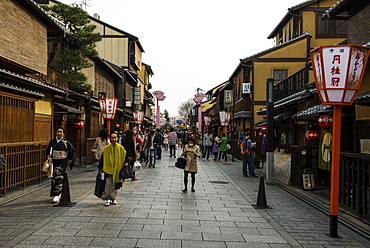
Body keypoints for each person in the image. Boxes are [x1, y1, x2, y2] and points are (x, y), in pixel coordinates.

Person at [46, 127, 76, 203]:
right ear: (56, 133)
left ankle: (58, 194)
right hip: (54, 161)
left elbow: (72, 150)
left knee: (60, 176)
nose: (59, 133)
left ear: (63, 134)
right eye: (58, 132)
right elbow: (49, 150)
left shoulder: (66, 142)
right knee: (54, 177)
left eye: (61, 132)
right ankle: (55, 193)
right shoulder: (52, 142)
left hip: (62, 161)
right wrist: (48, 155)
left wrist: (71, 159)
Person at [98, 132, 126, 206]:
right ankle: (107, 198)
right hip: (108, 169)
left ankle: (113, 198)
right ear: (110, 138)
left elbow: (125, 157)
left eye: (115, 138)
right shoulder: (106, 148)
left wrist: (126, 163)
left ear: (117, 138)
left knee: (115, 185)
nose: (114, 139)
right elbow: (102, 159)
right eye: (112, 138)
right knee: (108, 184)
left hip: (118, 169)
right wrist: (100, 168)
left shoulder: (121, 148)